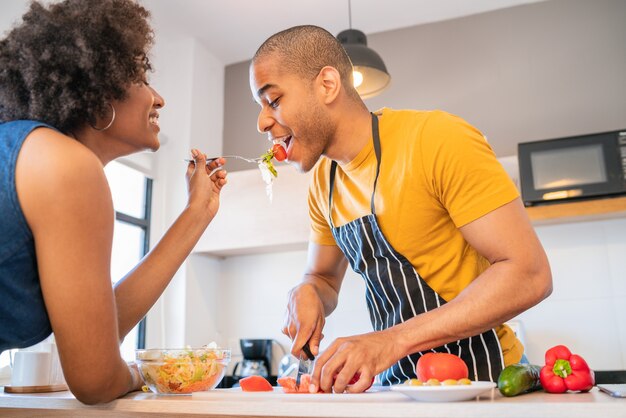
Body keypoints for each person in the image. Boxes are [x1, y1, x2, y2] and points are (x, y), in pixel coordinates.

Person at [249, 25, 553, 394]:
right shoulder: (323, 184)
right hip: (399, 387)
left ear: (327, 85)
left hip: (490, 381)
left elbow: (529, 274)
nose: (263, 121)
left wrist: (390, 341)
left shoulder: (438, 139)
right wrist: (307, 291)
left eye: (274, 100)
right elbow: (324, 279)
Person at [0, 0, 226, 404]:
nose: (159, 98)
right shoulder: (66, 166)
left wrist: (198, 212)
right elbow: (96, 380)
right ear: (100, 88)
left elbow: (97, 335)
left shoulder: (36, 154)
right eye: (141, 77)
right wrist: (151, 374)